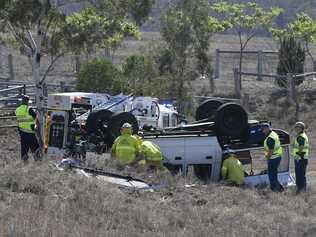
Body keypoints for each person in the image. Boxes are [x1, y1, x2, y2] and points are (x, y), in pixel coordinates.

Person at [15, 95, 40, 162]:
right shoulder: (29, 109)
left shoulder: (17, 110)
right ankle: (38, 161)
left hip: (22, 133)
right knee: (35, 147)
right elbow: (36, 118)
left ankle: (24, 162)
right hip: (30, 132)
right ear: (27, 101)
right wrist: (36, 126)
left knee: (24, 148)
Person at [262, 123, 284, 192]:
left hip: (273, 158)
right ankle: (275, 188)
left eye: (263, 129)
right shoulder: (273, 133)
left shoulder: (270, 138)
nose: (262, 131)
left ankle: (278, 189)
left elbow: (271, 150)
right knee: (273, 174)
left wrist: (268, 158)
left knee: (272, 175)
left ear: (267, 129)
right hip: (277, 156)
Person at [292, 121, 309, 194]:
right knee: (301, 174)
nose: (296, 129)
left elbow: (301, 147)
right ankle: (301, 190)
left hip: (300, 158)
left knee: (300, 175)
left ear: (301, 128)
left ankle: (301, 190)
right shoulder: (302, 135)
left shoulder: (301, 137)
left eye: (297, 127)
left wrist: (298, 156)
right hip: (302, 158)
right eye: (295, 127)